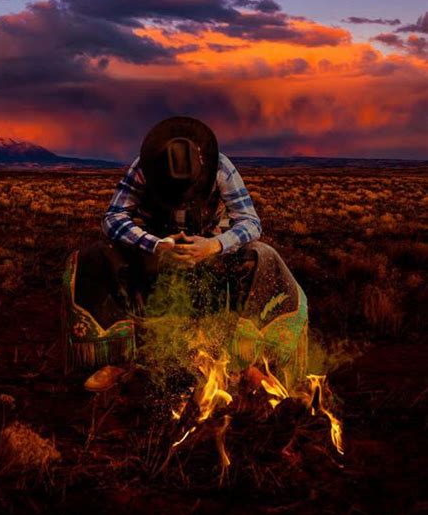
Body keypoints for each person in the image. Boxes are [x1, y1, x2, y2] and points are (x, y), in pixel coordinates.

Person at [62, 116, 308, 390]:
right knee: (98, 255)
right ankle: (122, 358)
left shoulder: (222, 168)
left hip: (211, 249)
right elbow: (113, 218)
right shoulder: (143, 168)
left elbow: (250, 222)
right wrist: (155, 245)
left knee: (262, 257)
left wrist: (213, 246)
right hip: (154, 248)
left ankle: (247, 360)